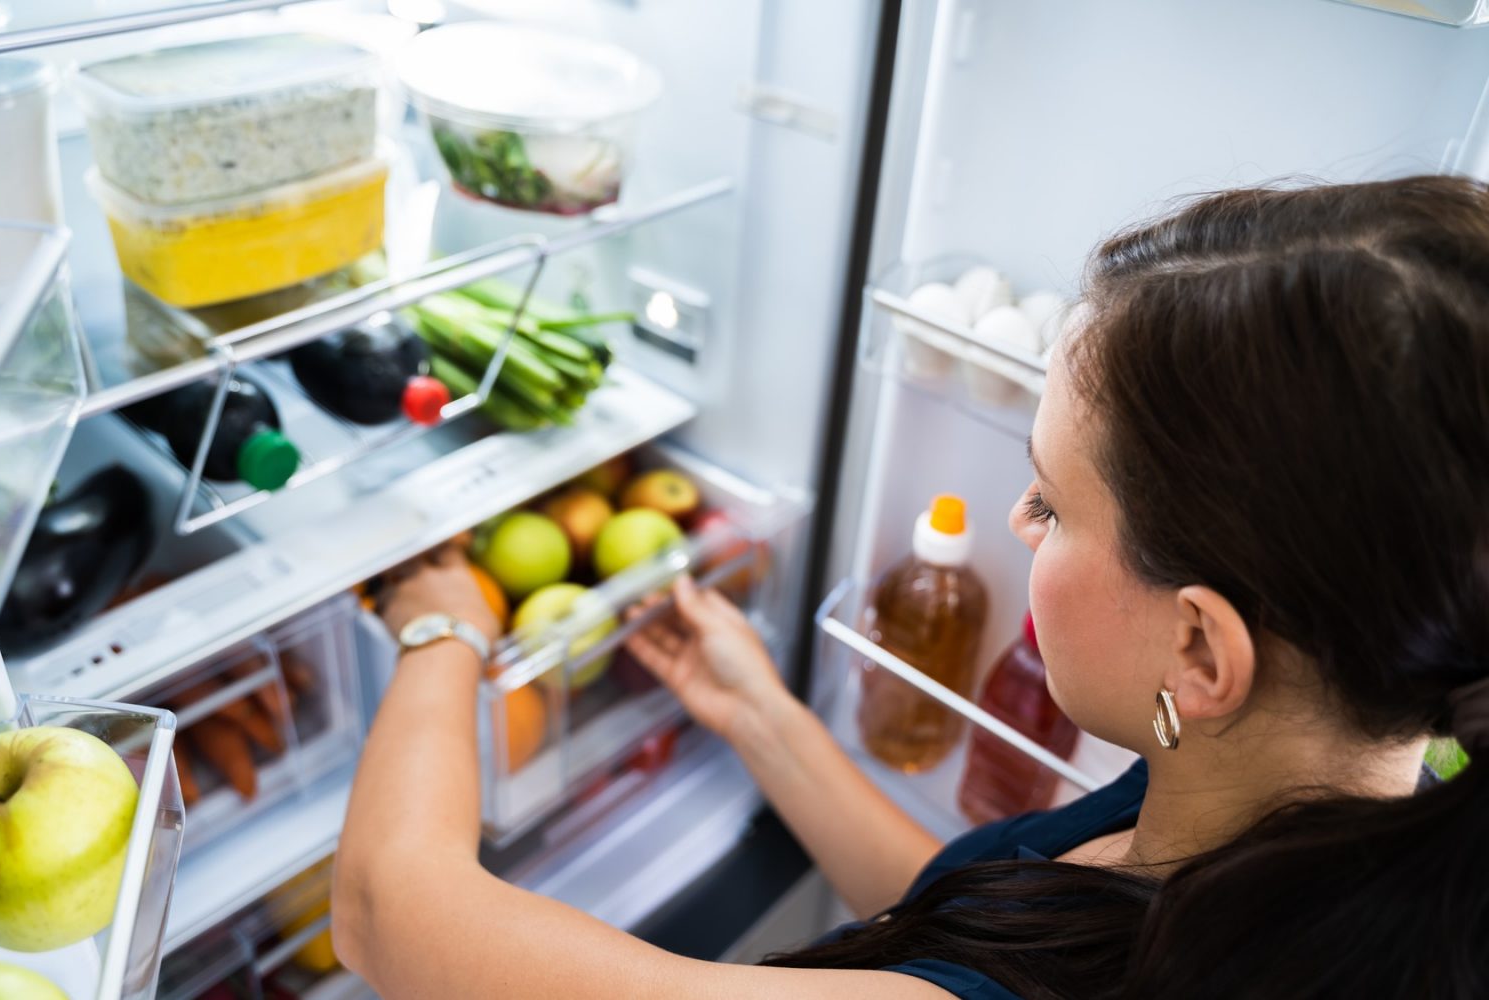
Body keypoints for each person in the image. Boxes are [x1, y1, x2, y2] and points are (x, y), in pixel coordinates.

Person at [331, 176, 1489, 999]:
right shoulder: (1308, 821)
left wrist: (445, 628)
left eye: (1051, 500)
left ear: (1200, 650)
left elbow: (383, 912)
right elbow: (982, 919)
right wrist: (760, 714)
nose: (1015, 520)